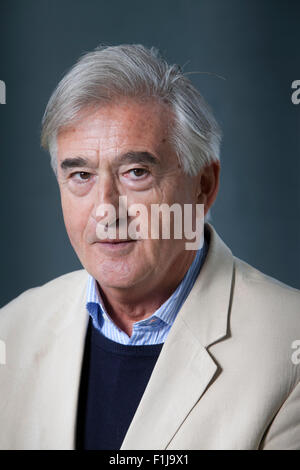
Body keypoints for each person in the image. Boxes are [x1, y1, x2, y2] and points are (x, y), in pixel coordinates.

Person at [0, 44, 299, 450]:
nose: (105, 209)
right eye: (81, 175)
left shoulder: (288, 345)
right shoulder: (12, 331)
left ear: (203, 187)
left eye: (136, 172)